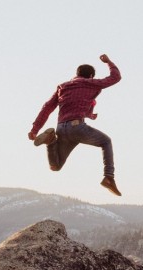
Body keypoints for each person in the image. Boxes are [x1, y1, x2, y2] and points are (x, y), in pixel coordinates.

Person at [28, 54, 123, 196]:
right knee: (106, 141)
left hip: (61, 128)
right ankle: (109, 177)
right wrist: (108, 62)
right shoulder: (91, 83)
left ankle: (51, 141)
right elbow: (115, 77)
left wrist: (35, 129)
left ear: (76, 74)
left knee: (56, 166)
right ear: (90, 76)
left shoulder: (63, 87)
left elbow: (47, 107)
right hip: (77, 127)